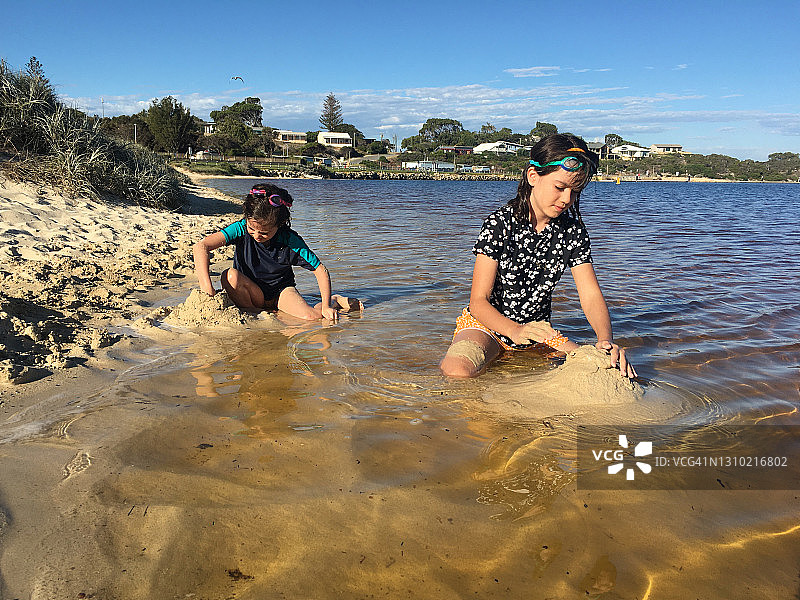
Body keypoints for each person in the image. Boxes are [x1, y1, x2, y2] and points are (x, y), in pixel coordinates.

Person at [440, 134, 636, 378]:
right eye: (560, 187)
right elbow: (478, 302)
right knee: (458, 370)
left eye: (575, 192)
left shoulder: (572, 231)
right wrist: (514, 331)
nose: (567, 199)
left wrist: (606, 341)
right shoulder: (499, 224)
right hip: (487, 327)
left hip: (539, 333)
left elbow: (590, 294)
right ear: (533, 176)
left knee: (602, 367)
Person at [193, 183, 361, 322]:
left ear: (279, 225)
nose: (257, 236)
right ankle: (256, 313)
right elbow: (201, 247)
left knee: (312, 318)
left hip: (281, 292)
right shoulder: (240, 228)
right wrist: (207, 288)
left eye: (264, 233)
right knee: (229, 276)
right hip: (252, 293)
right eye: (252, 229)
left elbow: (320, 270)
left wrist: (325, 306)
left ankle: (334, 300)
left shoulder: (289, 240)